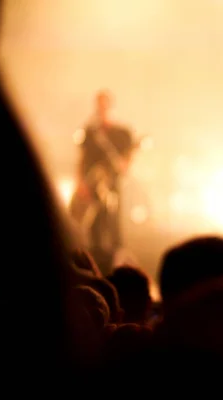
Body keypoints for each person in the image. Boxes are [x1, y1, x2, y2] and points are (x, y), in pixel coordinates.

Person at [70, 90, 135, 274]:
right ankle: (94, 267)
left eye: (104, 104)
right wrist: (80, 183)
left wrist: (122, 165)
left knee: (112, 224)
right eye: (98, 104)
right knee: (93, 226)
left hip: (112, 187)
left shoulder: (121, 133)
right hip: (91, 187)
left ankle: (115, 268)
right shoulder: (90, 132)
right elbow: (81, 159)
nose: (101, 109)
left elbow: (127, 161)